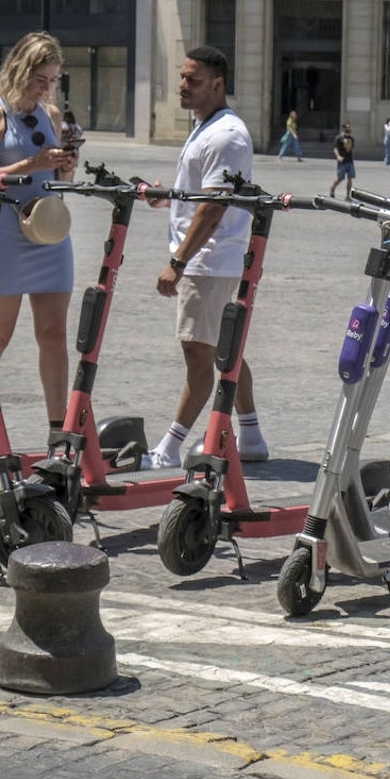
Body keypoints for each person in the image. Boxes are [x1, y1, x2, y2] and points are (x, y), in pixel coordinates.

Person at [141, 45, 269, 469]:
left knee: (199, 355)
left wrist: (177, 263)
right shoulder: (208, 126)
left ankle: (168, 449)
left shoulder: (226, 136)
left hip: (206, 261)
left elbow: (212, 210)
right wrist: (169, 197)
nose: (182, 86)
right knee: (222, 350)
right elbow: (201, 195)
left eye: (192, 80)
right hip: (211, 259)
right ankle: (250, 437)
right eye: (182, 77)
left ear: (218, 84)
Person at [0, 31, 79, 431]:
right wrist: (29, 165)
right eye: (40, 80)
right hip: (8, 235)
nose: (46, 89)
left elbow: (58, 176)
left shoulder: (51, 115)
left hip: (49, 233)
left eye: (52, 81)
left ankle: (57, 430)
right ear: (20, 70)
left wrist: (65, 164)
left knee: (54, 334)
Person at [329, 122, 355, 197]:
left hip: (350, 161)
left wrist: (352, 157)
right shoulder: (339, 138)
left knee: (350, 179)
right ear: (343, 129)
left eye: (350, 127)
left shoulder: (351, 139)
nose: (349, 129)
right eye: (347, 127)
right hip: (342, 162)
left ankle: (347, 195)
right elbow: (335, 148)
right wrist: (338, 156)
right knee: (340, 178)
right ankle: (332, 188)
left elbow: (352, 149)